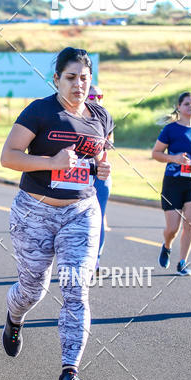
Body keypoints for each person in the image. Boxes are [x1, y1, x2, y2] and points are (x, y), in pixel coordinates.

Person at [0, 47, 113, 380]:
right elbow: (9, 157)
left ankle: (69, 372)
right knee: (33, 289)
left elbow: (98, 160)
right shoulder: (40, 111)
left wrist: (102, 168)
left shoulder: (102, 117)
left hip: (80, 213)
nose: (78, 84)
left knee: (76, 287)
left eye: (84, 77)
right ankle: (14, 318)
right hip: (35, 212)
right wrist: (51, 162)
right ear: (56, 80)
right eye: (71, 77)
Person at [151, 92, 191, 277]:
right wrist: (174, 158)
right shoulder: (170, 129)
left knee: (190, 223)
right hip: (173, 182)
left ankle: (182, 263)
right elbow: (156, 153)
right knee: (172, 228)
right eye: (187, 104)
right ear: (179, 107)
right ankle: (167, 246)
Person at [88, 85, 113, 266]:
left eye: (99, 96)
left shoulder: (105, 118)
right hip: (78, 175)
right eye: (92, 96)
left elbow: (110, 144)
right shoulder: (74, 117)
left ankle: (95, 259)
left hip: (100, 175)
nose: (96, 99)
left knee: (99, 216)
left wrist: (104, 142)